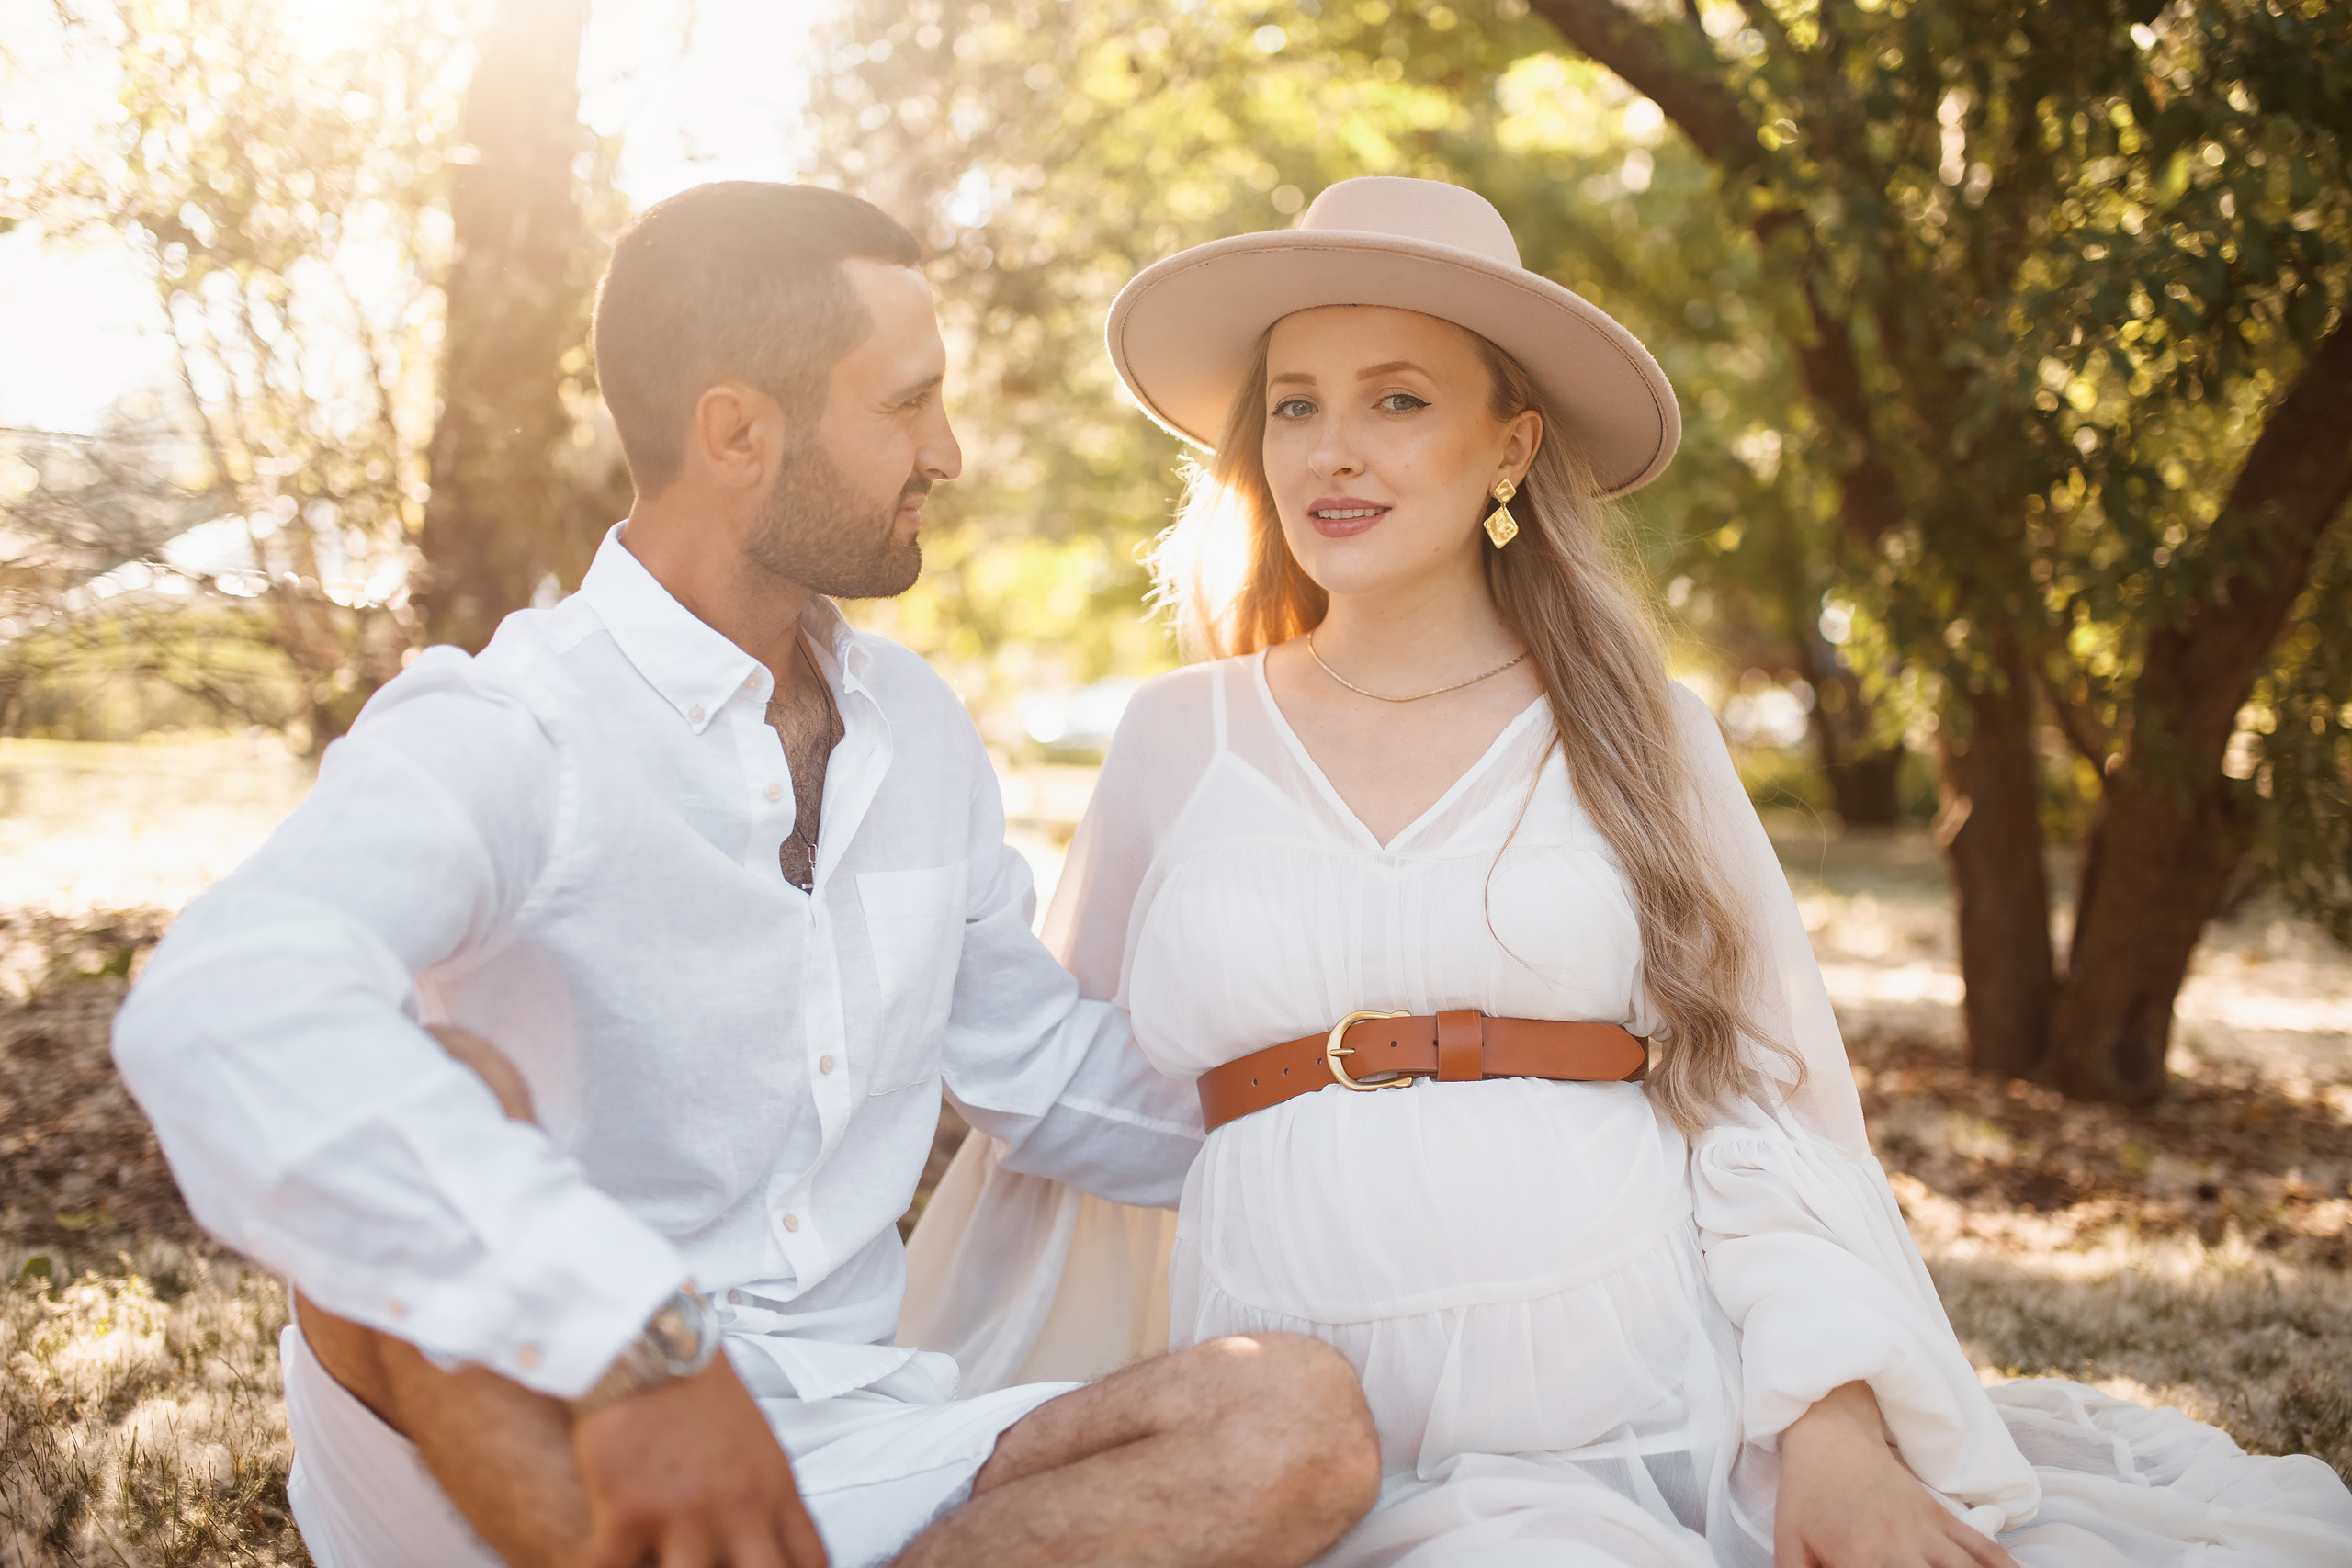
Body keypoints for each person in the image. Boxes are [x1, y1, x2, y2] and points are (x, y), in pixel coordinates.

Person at [899, 177, 2352, 1566]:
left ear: (1511, 450)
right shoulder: (1178, 737)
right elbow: (1081, 1093)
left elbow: (1757, 1098)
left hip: (1631, 1404)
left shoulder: (1638, 731)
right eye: (1297, 406)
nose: (1333, 451)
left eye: (1398, 399)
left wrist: (1831, 1426)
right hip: (1308, 1404)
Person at [109, 181, 1381, 1568]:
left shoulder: (919, 733)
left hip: (856, 1432)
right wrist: (629, 1337)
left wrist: (1388, 1104)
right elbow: (221, 1006)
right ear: (736, 433)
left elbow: (1044, 1071)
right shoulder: (510, 726)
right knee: (444, 1091)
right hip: (525, 1432)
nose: (946, 452)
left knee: (1293, 1423)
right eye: (908, 403)